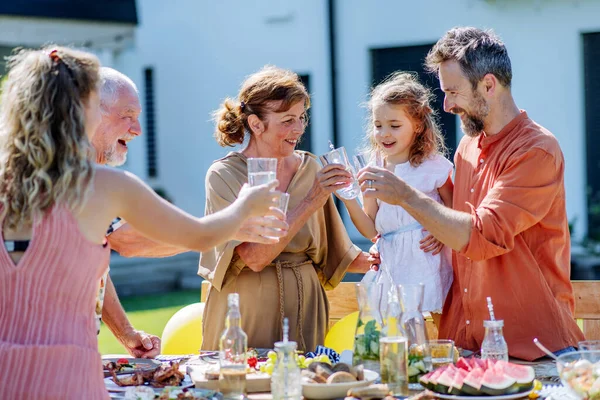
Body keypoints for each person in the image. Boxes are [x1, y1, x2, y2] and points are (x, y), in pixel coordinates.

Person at [0, 46, 284, 399]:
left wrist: (126, 332)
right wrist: (245, 206)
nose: (136, 128)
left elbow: (73, 266)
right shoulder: (103, 186)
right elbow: (197, 236)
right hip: (68, 380)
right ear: (79, 111)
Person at [358, 27, 584, 360]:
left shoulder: (536, 151)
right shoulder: (466, 148)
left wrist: (406, 196)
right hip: (463, 344)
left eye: (453, 92)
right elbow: (453, 225)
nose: (446, 105)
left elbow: (480, 235)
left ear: (488, 85)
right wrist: (413, 235)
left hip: (532, 347)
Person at [92, 68, 290, 358]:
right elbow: (130, 240)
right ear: (89, 112)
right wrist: (235, 222)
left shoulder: (64, 174)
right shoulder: (80, 181)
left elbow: (94, 263)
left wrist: (126, 333)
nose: (137, 130)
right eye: (127, 115)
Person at [199, 65, 372, 352]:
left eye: (302, 117)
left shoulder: (311, 168)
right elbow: (254, 258)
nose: (299, 129)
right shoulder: (224, 175)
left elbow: (339, 257)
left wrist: (394, 249)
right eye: (287, 120)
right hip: (244, 315)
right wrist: (311, 200)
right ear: (256, 124)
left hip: (306, 313)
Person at [342, 72, 453, 326]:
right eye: (378, 125)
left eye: (394, 125)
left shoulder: (433, 166)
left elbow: (455, 210)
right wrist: (347, 198)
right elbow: (371, 228)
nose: (384, 133)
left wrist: (441, 231)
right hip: (392, 260)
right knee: (396, 327)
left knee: (440, 318)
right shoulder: (374, 167)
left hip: (428, 257)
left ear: (417, 125)